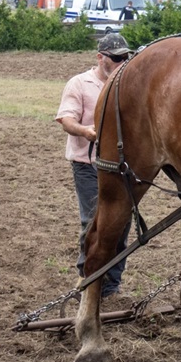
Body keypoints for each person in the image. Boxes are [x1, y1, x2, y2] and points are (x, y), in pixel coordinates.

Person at [55, 33, 134, 298]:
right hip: (87, 164)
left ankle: (111, 285)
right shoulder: (79, 84)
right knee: (94, 222)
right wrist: (86, 131)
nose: (122, 62)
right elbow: (66, 119)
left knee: (122, 223)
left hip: (120, 166)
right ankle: (86, 277)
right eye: (116, 58)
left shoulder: (128, 85)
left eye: (126, 57)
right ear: (100, 58)